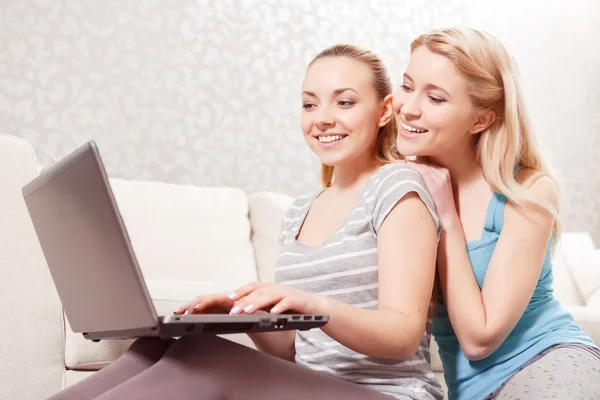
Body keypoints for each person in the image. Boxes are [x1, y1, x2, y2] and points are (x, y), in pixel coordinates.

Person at [48, 43, 444, 400]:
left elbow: (403, 335)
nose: (322, 119)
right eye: (309, 104)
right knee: (157, 346)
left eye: (344, 103)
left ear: (384, 110)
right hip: (315, 387)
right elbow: (289, 351)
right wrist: (245, 316)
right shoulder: (300, 212)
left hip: (390, 394)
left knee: (204, 357)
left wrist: (318, 305)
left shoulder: (395, 186)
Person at [393, 26, 600, 400]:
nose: (409, 108)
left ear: (481, 120)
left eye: (435, 98)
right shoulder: (399, 187)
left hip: (547, 361)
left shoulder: (528, 191)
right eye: (407, 86)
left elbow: (479, 339)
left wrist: (448, 217)